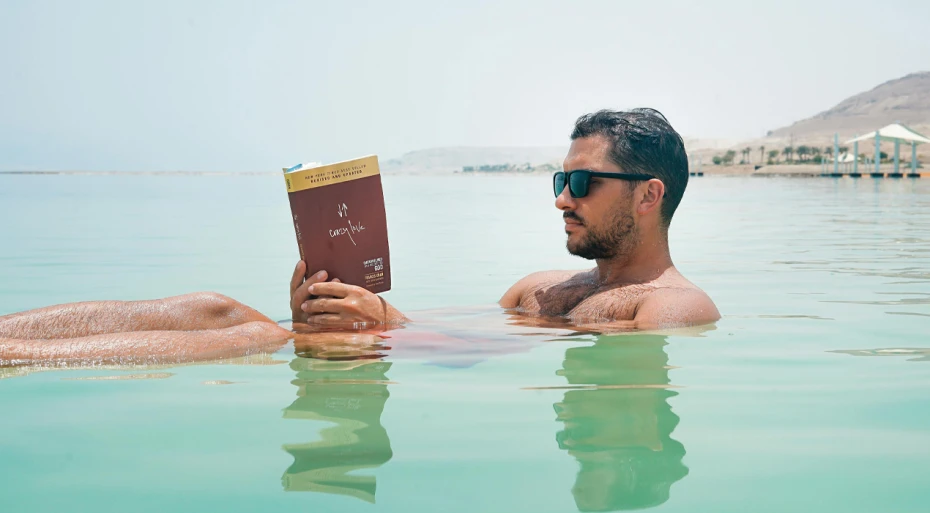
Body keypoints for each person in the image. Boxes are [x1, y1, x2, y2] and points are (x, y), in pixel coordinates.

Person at [293, 108, 719, 331]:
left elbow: (484, 352)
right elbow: (457, 331)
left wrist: (384, 320)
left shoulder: (675, 306)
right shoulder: (535, 288)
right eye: (562, 180)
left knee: (223, 312)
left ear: (648, 195)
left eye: (584, 182)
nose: (563, 200)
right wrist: (325, 311)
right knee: (228, 315)